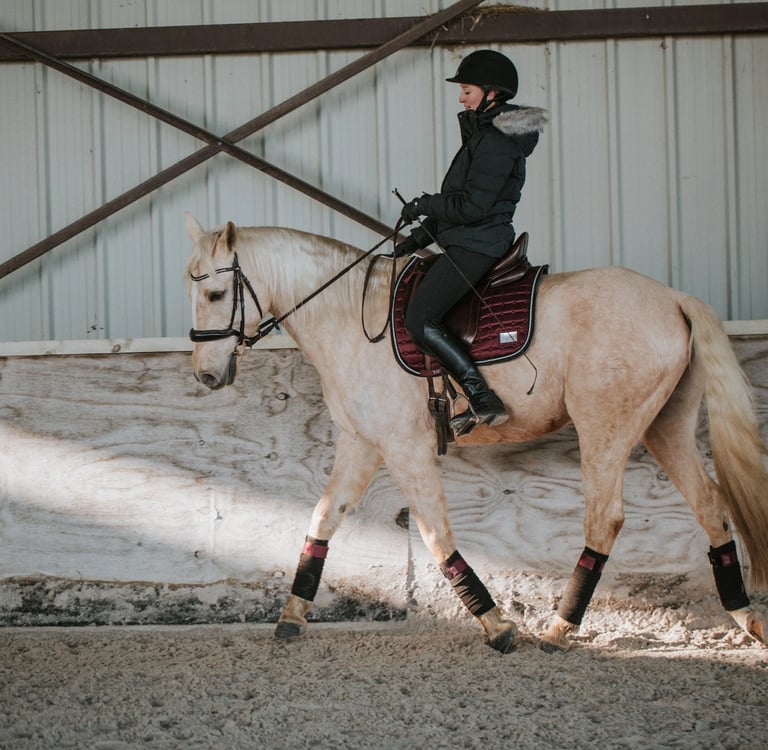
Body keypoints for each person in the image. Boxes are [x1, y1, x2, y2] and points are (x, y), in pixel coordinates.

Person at [396, 49, 547, 436]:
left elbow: (473, 206)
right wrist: (422, 234)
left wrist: (424, 204)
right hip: (472, 236)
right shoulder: (484, 135)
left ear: (491, 93)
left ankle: (481, 395)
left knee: (419, 319)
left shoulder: (495, 140)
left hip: (480, 243)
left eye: (467, 90)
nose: (461, 98)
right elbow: (465, 203)